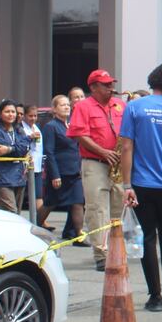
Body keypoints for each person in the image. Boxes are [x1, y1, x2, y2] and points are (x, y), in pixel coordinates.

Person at [120, 63, 162, 312]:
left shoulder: (134, 107)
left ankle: (155, 296)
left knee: (148, 236)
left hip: (141, 182)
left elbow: (126, 147)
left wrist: (126, 184)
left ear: (153, 81)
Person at [66, 69, 126, 272]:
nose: (111, 87)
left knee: (119, 208)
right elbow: (79, 134)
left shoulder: (120, 105)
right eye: (106, 84)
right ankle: (101, 253)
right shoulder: (83, 106)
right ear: (93, 87)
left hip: (117, 163)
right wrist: (104, 151)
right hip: (95, 162)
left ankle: (116, 249)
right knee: (98, 209)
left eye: (111, 84)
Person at [39, 94, 85, 244]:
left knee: (78, 202)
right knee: (50, 203)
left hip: (74, 172)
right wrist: (55, 175)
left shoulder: (72, 125)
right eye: (62, 105)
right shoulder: (51, 127)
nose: (66, 107)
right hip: (59, 172)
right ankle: (34, 226)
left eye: (67, 104)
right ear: (54, 109)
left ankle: (78, 235)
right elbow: (49, 152)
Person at [0, 100, 30, 213]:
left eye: (13, 112)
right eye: (7, 111)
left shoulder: (19, 129)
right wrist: (17, 149)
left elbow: (25, 147)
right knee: (11, 212)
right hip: (2, 177)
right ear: (0, 114)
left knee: (17, 213)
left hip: (19, 176)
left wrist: (9, 149)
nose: (11, 114)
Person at [20, 105, 44, 216]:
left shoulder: (36, 127)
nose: (33, 118)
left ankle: (40, 220)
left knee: (38, 194)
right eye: (30, 116)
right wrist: (30, 137)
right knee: (22, 194)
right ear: (25, 116)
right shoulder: (21, 128)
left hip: (37, 166)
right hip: (25, 166)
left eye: (35, 116)